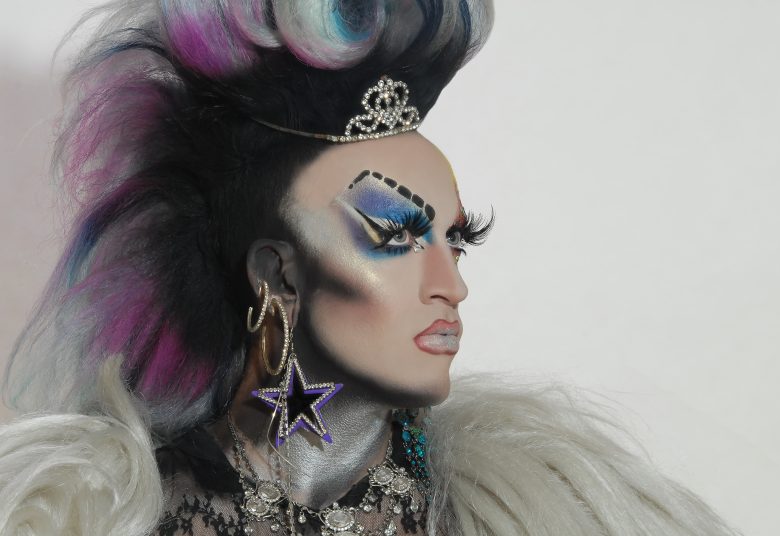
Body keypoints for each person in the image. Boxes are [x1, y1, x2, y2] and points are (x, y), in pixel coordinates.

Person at [0, 1, 740, 535]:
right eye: (395, 237)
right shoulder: (98, 514)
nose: (452, 284)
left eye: (457, 240)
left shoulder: (557, 510)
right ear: (276, 274)